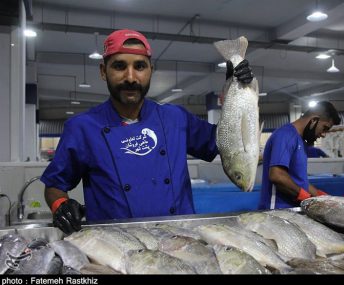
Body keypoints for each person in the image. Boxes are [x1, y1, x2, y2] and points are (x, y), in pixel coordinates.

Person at [41, 29, 254, 234]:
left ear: (151, 70)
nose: (131, 77)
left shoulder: (175, 118)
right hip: (117, 248)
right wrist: (61, 204)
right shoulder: (82, 128)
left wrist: (233, 86)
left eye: (140, 66)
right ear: (103, 71)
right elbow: (54, 186)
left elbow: (226, 143)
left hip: (181, 241)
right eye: (119, 66)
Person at [258, 101, 341, 209]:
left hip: (291, 210)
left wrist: (322, 197)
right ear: (314, 120)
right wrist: (306, 198)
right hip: (278, 212)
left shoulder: (299, 140)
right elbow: (277, 176)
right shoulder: (286, 135)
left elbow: (301, 182)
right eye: (324, 128)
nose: (323, 134)